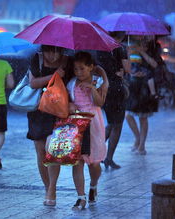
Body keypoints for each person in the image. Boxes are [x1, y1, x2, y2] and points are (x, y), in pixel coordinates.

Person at [27, 45, 109, 201]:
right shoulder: (37, 59)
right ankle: (51, 189)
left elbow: (96, 69)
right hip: (42, 109)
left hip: (67, 114)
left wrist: (105, 83)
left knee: (60, 152)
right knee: (44, 152)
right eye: (49, 51)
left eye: (56, 51)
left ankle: (63, 189)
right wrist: (54, 76)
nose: (52, 55)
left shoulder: (69, 61)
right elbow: (33, 83)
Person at [45, 51, 107, 209]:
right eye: (76, 69)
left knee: (93, 163)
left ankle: (93, 185)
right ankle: (81, 197)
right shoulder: (72, 83)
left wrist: (92, 88)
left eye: (82, 69)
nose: (78, 72)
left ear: (91, 67)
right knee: (77, 162)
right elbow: (66, 101)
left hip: (93, 125)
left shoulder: (98, 81)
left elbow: (99, 103)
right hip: (76, 125)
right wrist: (69, 105)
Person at [96, 31, 130, 170]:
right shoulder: (119, 48)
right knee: (117, 124)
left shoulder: (99, 47)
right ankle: (107, 157)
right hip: (116, 88)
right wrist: (127, 53)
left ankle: (97, 152)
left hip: (104, 87)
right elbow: (128, 69)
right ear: (121, 35)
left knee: (111, 123)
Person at [125, 36, 160, 155]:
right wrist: (129, 53)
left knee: (143, 117)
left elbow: (155, 64)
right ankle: (138, 138)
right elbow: (127, 67)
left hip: (145, 86)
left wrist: (142, 52)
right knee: (128, 115)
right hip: (133, 85)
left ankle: (142, 145)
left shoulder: (154, 47)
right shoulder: (130, 43)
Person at [128, 36, 162, 100]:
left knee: (149, 74)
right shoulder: (132, 47)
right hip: (133, 74)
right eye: (143, 45)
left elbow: (155, 64)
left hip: (143, 86)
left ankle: (153, 93)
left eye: (145, 46)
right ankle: (153, 93)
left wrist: (141, 51)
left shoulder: (153, 48)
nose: (144, 47)